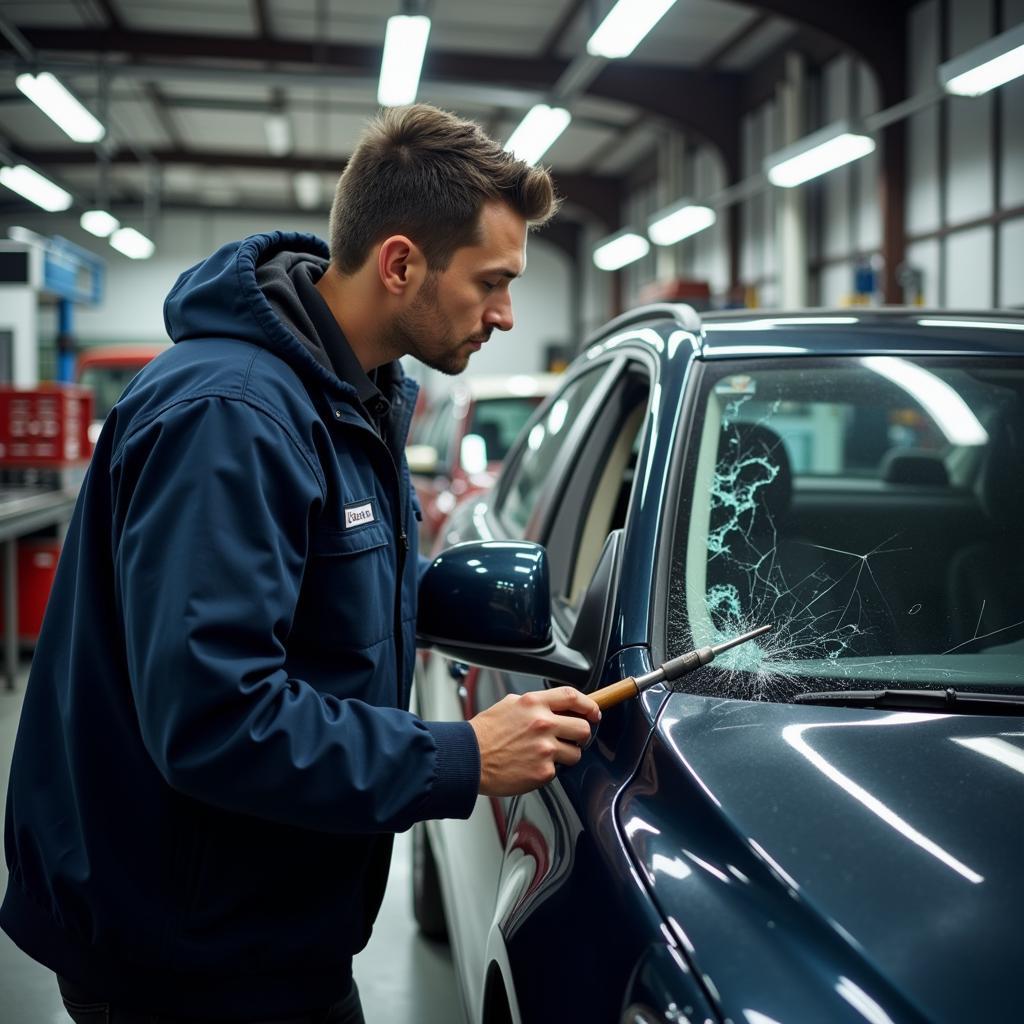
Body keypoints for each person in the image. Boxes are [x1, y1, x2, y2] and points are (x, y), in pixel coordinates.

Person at [1, 104, 601, 1024]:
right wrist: (460, 756)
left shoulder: (349, 400)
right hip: (188, 958)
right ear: (400, 263)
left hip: (263, 927)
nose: (506, 315)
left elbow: (313, 596)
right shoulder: (232, 417)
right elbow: (213, 716)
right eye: (491, 281)